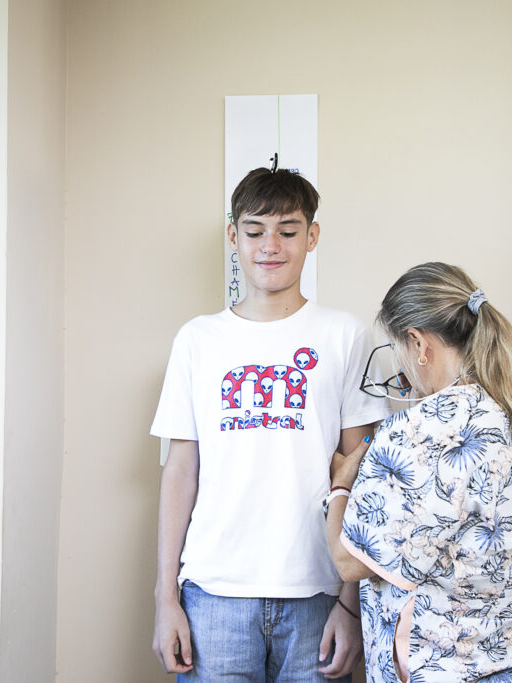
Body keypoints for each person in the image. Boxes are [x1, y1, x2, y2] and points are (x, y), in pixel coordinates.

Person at [150, 166, 388, 681]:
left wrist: (350, 605)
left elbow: (364, 475)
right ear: (233, 236)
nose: (270, 246)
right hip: (213, 593)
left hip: (319, 593)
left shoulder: (345, 336)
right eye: (255, 231)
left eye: (288, 231)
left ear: (312, 236)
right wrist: (165, 596)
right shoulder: (197, 340)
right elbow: (180, 471)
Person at [324, 262, 512, 682]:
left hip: (442, 666)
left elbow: (349, 562)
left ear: (419, 343)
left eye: (398, 349)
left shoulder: (416, 429)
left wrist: (341, 486)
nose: (402, 368)